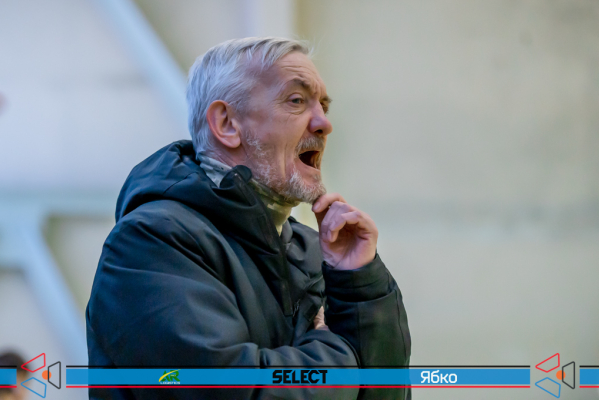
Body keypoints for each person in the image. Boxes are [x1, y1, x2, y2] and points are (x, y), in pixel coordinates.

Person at [87, 37, 411, 400]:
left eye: (323, 105)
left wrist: (358, 284)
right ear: (227, 124)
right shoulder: (150, 243)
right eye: (296, 101)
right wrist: (335, 351)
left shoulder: (314, 250)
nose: (324, 123)